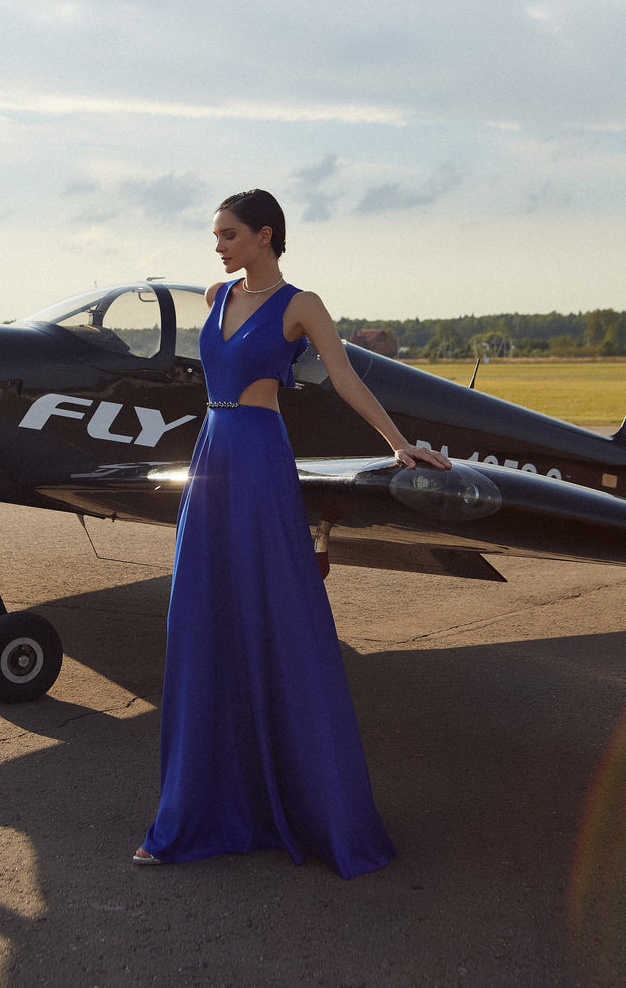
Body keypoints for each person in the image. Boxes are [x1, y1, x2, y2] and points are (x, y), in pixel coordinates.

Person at [134, 190, 450, 877]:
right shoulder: (218, 295)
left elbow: (343, 378)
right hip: (211, 456)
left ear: (264, 236)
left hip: (257, 458)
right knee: (202, 622)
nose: (216, 245)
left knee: (279, 621)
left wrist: (399, 444)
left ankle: (320, 812)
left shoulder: (301, 304)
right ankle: (195, 811)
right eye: (215, 234)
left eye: (227, 234)